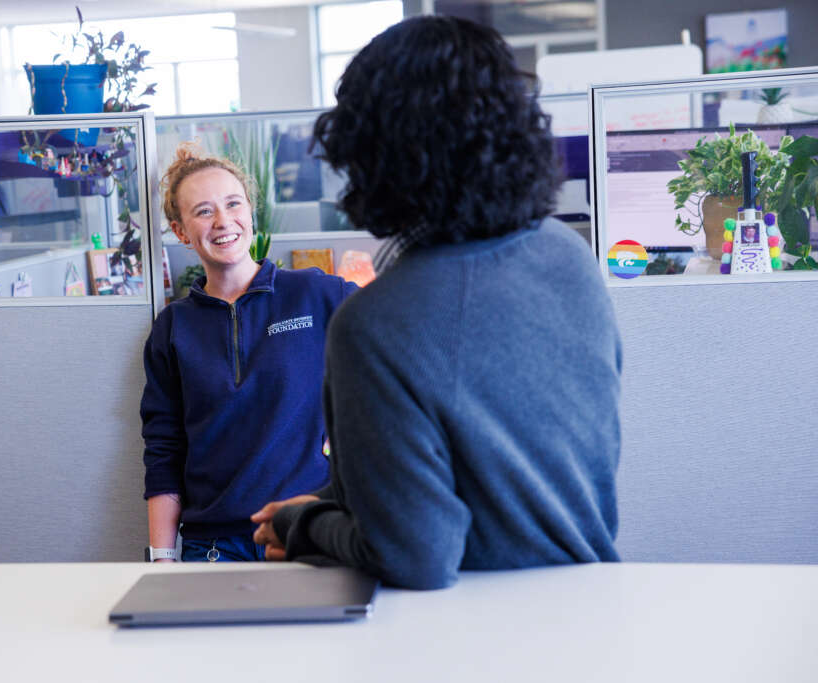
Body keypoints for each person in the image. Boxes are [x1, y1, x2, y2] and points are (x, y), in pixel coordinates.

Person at [252, 16, 623, 589]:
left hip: (465, 640)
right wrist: (339, 499)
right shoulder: (568, 259)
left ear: (373, 154)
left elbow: (415, 556)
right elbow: (506, 470)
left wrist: (305, 522)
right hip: (590, 609)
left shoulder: (378, 325)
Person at [141, 144, 357, 563]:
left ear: (250, 212)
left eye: (233, 203)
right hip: (215, 546)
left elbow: (397, 349)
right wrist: (161, 559)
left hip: (310, 532)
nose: (223, 221)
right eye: (203, 211)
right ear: (181, 231)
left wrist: (351, 431)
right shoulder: (173, 328)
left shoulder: (318, 294)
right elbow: (163, 450)